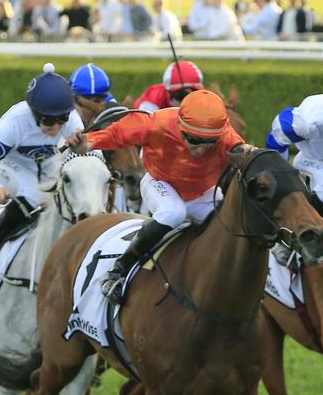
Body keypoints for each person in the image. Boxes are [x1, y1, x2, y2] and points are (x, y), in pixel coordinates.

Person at [61, 90, 252, 300]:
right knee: (173, 213)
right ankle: (118, 271)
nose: (200, 149)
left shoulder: (225, 135)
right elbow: (114, 134)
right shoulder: (155, 123)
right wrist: (86, 143)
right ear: (180, 126)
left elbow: (247, 153)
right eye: (194, 140)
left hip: (203, 194)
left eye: (209, 142)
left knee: (232, 224)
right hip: (160, 183)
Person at [0, 64, 83, 266]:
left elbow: (81, 161)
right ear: (34, 113)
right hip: (12, 166)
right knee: (32, 194)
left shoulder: (74, 122)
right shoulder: (13, 123)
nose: (57, 127)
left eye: (62, 119)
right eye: (49, 121)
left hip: (50, 167)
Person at [133, 60, 205, 113]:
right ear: (167, 91)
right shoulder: (152, 100)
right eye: (180, 95)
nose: (185, 101)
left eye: (192, 94)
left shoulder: (204, 96)